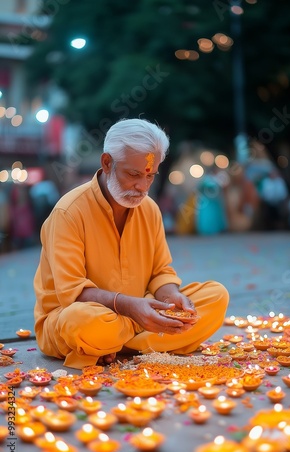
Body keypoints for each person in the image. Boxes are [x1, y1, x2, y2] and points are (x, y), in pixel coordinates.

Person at [34, 118, 229, 369]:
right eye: (134, 174)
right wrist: (132, 309)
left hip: (138, 311)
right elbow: (73, 293)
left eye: (150, 176)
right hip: (80, 318)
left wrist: (173, 298)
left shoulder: (150, 210)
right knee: (83, 322)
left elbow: (161, 272)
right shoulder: (68, 213)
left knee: (215, 297)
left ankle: (115, 344)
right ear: (107, 163)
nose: (142, 186)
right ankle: (140, 337)